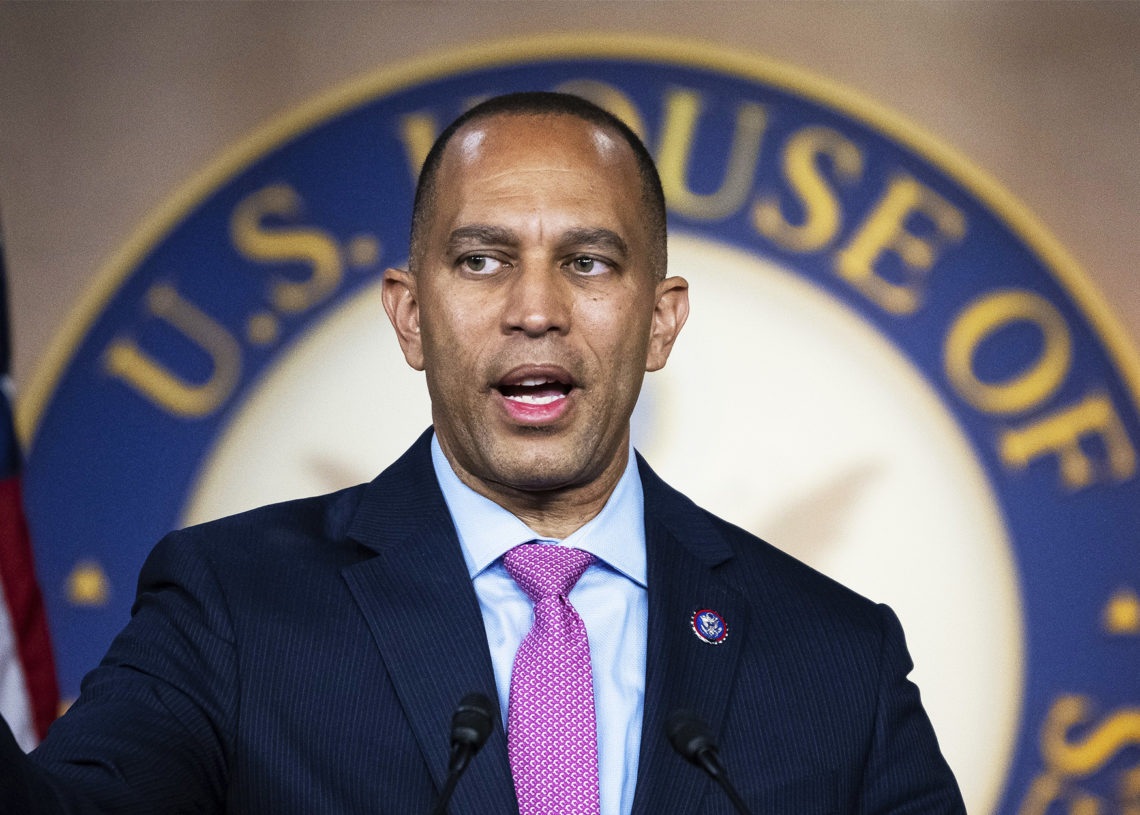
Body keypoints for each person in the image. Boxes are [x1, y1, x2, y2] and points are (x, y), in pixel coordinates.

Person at [1, 92, 965, 814]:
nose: (535, 310)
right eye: (481, 260)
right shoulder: (232, 611)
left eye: (587, 262)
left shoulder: (841, 661)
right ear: (410, 315)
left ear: (661, 321)